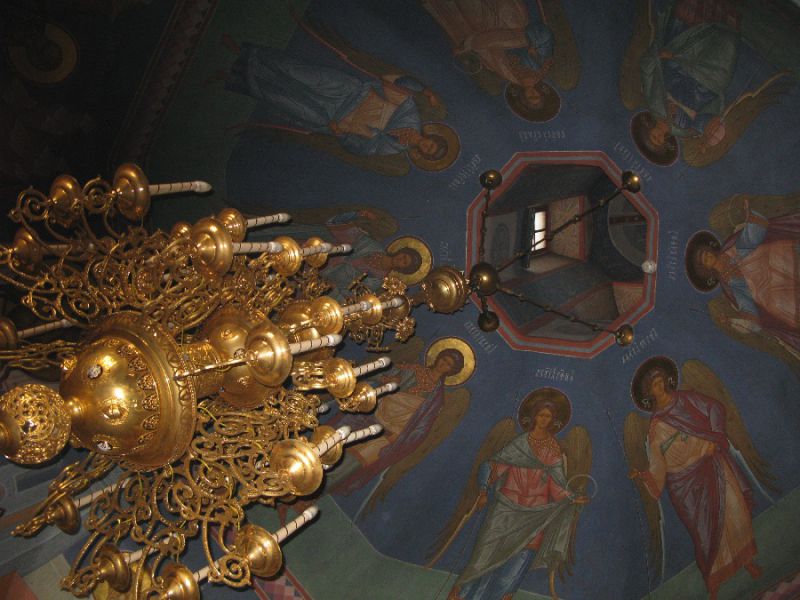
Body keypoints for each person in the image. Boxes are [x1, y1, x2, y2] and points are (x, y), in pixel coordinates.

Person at [217, 35, 458, 170]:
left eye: (428, 151)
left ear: (422, 153)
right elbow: (400, 84)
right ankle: (245, 52)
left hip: (334, 119)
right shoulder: (411, 115)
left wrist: (341, 135)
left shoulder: (393, 148)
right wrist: (424, 89)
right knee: (297, 72)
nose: (427, 146)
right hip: (350, 92)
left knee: (284, 99)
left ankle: (237, 77)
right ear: (431, 137)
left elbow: (361, 149)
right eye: (432, 144)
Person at [629, 362, 761, 600]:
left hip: (711, 464)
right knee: (704, 534)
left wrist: (714, 437)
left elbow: (715, 408)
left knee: (734, 513)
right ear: (648, 393)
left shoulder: (686, 399)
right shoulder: (655, 426)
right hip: (684, 484)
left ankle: (747, 561)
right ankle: (714, 583)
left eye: (660, 381)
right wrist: (645, 476)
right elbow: (657, 462)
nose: (659, 387)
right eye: (654, 386)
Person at [448, 395, 587, 600]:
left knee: (513, 569)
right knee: (483, 559)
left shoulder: (553, 449)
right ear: (534, 416)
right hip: (506, 509)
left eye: (548, 416)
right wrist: (484, 490)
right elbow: (493, 466)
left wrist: (572, 498)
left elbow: (557, 486)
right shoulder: (520, 444)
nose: (544, 419)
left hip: (534, 516)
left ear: (553, 420)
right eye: (541, 415)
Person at [632, 0, 741, 164]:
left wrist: (657, 58)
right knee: (724, 49)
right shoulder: (682, 130)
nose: (657, 136)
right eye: (659, 140)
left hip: (679, 63)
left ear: (650, 130)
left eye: (653, 136)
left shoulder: (653, 105)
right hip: (704, 84)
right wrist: (711, 134)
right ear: (665, 141)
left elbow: (647, 73)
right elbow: (704, 122)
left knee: (686, 19)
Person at [685, 203, 800, 357]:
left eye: (706, 253)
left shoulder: (731, 249)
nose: (708, 257)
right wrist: (733, 321)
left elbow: (752, 237)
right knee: (779, 304)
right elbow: (747, 307)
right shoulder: (729, 285)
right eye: (705, 260)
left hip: (767, 261)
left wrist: (749, 216)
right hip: (766, 290)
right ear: (706, 268)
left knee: (778, 258)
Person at [422, 0, 561, 121]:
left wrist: (468, 45)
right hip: (506, 16)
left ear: (523, 98)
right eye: (537, 97)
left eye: (531, 98)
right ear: (542, 94)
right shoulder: (542, 67)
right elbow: (541, 33)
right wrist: (525, 40)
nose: (533, 94)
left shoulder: (507, 74)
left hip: (481, 27)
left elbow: (485, 52)